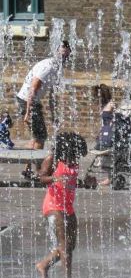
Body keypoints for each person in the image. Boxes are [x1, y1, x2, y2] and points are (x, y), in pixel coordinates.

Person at [36, 132, 87, 278]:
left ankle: (44, 264)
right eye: (76, 150)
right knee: (65, 245)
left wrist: (87, 183)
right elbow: (41, 177)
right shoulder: (52, 159)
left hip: (68, 206)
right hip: (53, 205)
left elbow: (71, 181)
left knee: (70, 246)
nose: (78, 155)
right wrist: (54, 179)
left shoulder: (72, 161)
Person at [16, 41, 71, 179]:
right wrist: (28, 112)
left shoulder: (57, 68)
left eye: (67, 55)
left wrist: (54, 114)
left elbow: (52, 94)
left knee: (36, 136)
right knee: (41, 137)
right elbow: (33, 88)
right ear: (57, 52)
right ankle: (39, 171)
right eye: (62, 54)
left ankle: (28, 170)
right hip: (27, 101)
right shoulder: (48, 67)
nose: (65, 58)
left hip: (31, 101)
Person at [93, 84, 115, 186]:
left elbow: (114, 120)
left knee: (106, 155)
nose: (97, 99)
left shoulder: (111, 105)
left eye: (98, 96)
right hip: (104, 133)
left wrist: (110, 130)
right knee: (101, 155)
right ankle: (109, 177)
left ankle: (110, 178)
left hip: (109, 134)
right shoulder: (103, 105)